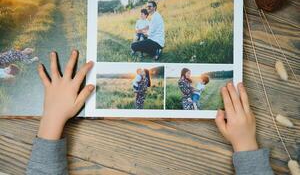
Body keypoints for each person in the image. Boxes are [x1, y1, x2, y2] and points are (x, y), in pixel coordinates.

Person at [26, 50, 274, 175]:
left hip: (150, 95)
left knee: (143, 99)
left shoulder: (148, 79)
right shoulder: (175, 81)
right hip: (177, 99)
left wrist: (52, 119)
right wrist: (246, 147)